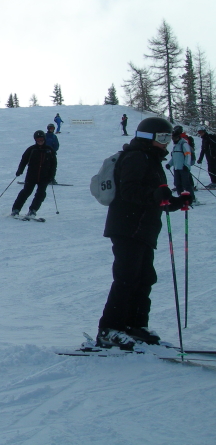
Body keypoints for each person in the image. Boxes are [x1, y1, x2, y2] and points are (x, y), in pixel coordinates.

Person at [97, 117, 191, 350]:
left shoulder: (151, 158)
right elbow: (129, 191)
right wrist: (155, 195)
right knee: (127, 278)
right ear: (148, 137)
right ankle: (109, 329)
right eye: (162, 137)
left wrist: (176, 202)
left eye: (168, 137)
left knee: (145, 278)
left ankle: (135, 326)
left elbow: (155, 197)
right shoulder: (136, 157)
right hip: (128, 227)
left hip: (144, 229)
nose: (166, 142)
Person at [11, 130, 57, 219]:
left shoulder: (49, 150)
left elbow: (53, 165)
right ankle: (16, 209)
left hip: (44, 177)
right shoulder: (31, 149)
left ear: (44, 139)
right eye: (38, 139)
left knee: (41, 194)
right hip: (31, 176)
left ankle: (33, 210)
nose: (40, 141)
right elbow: (24, 160)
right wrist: (20, 170)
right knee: (26, 192)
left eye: (41, 139)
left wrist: (52, 176)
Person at [167, 126, 195, 204]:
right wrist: (169, 164)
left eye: (175, 138)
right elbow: (174, 157)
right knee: (178, 185)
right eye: (173, 138)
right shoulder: (175, 146)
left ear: (179, 137)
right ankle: (181, 199)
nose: (174, 140)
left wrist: (186, 165)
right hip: (176, 168)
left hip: (183, 168)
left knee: (186, 184)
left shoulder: (184, 144)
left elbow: (188, 155)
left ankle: (192, 199)